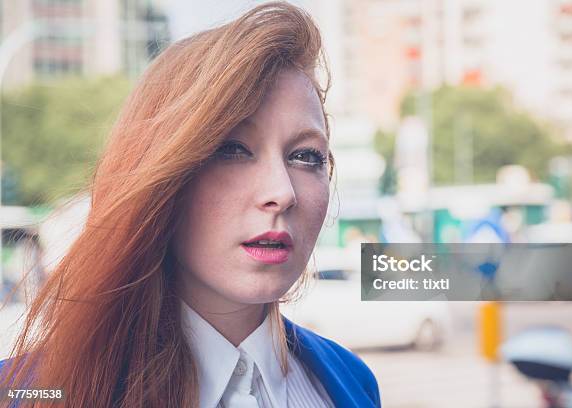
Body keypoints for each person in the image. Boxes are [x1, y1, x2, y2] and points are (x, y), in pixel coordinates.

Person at [0, 2, 380, 407]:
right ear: (161, 175)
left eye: (306, 156)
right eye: (232, 149)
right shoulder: (24, 392)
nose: (282, 192)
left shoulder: (350, 381)